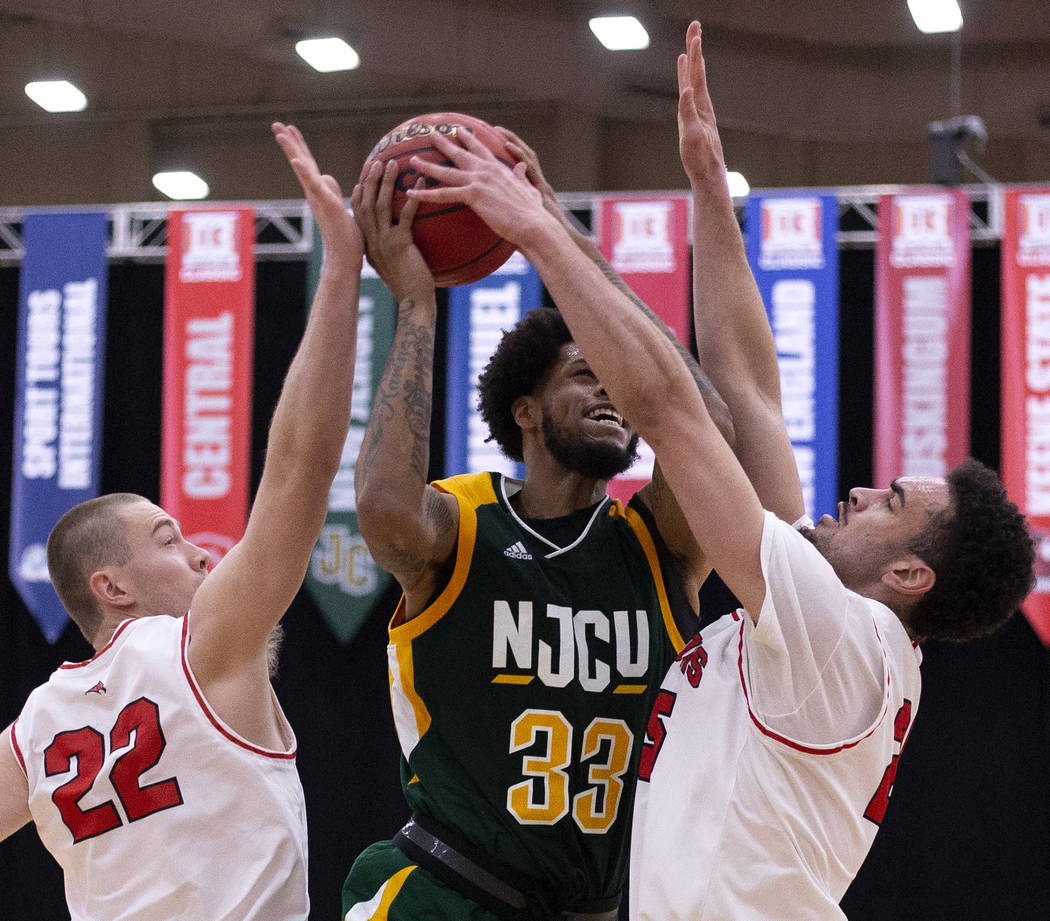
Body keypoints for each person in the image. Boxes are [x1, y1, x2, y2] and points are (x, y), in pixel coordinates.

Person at [387, 21, 1036, 921]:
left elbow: (671, 413)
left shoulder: (838, 633)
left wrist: (541, 230)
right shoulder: (826, 635)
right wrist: (705, 186)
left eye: (889, 501)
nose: (858, 491)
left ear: (909, 572)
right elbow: (749, 393)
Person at [341, 131, 733, 920]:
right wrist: (415, 303)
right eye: (587, 376)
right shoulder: (464, 522)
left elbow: (708, 429)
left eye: (617, 383)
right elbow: (384, 510)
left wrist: (565, 240)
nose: (612, 396)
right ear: (525, 410)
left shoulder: (658, 543)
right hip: (449, 892)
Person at [0, 122, 364, 921]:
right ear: (111, 585)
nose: (203, 553)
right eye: (169, 539)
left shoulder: (37, 723)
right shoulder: (197, 645)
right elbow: (301, 466)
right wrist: (342, 271)